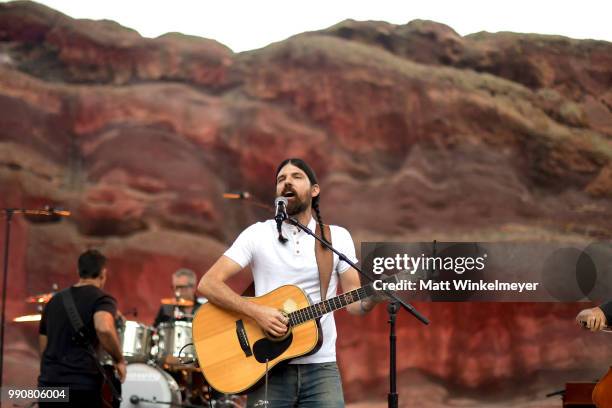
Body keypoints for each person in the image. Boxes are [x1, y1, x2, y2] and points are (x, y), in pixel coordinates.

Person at [198, 158, 380, 407]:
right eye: (281, 179)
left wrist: (374, 299)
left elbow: (354, 303)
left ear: (314, 190)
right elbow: (208, 284)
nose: (287, 182)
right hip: (268, 369)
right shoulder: (257, 234)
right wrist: (256, 312)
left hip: (321, 368)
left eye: (296, 176)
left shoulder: (335, 237)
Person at [38, 249, 126, 408]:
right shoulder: (102, 299)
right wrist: (119, 359)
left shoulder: (54, 301)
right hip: (80, 386)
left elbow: (44, 346)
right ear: (103, 273)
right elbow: (104, 328)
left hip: (48, 385)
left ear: (78, 271)